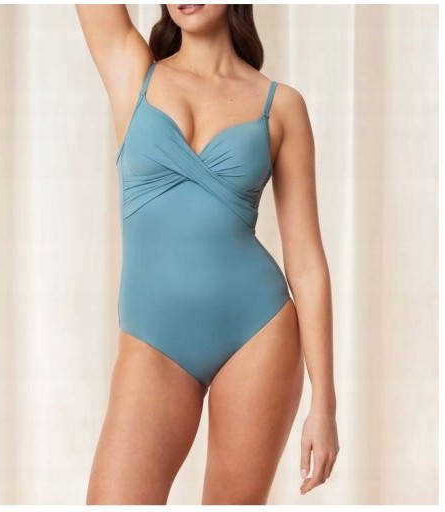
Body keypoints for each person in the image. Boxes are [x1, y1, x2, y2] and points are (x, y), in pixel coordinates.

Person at [75, 4, 339, 505]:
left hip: (257, 336)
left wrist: (324, 404)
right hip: (153, 343)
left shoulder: (281, 105)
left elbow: (306, 263)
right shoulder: (133, 72)